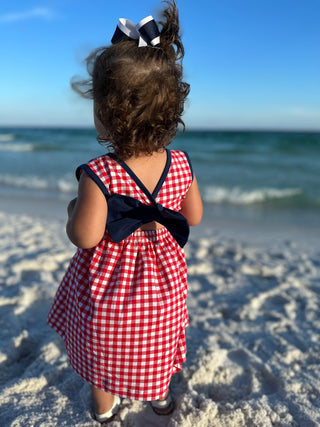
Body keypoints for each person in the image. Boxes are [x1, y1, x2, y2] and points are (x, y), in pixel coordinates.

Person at [47, 0, 202, 423]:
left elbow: (85, 236)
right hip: (162, 285)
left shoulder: (99, 173)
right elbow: (194, 215)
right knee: (158, 341)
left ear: (106, 114)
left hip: (110, 288)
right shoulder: (182, 163)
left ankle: (105, 408)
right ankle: (160, 399)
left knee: (100, 345)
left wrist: (74, 207)